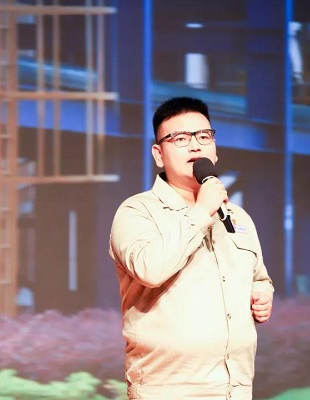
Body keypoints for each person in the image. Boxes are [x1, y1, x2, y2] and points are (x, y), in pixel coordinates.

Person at [109, 96, 274, 399]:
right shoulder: (137, 212)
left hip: (236, 387)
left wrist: (262, 293)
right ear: (159, 154)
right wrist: (201, 211)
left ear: (214, 148)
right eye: (181, 139)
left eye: (204, 136)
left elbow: (259, 277)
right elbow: (151, 269)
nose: (195, 146)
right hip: (168, 389)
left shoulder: (238, 217)